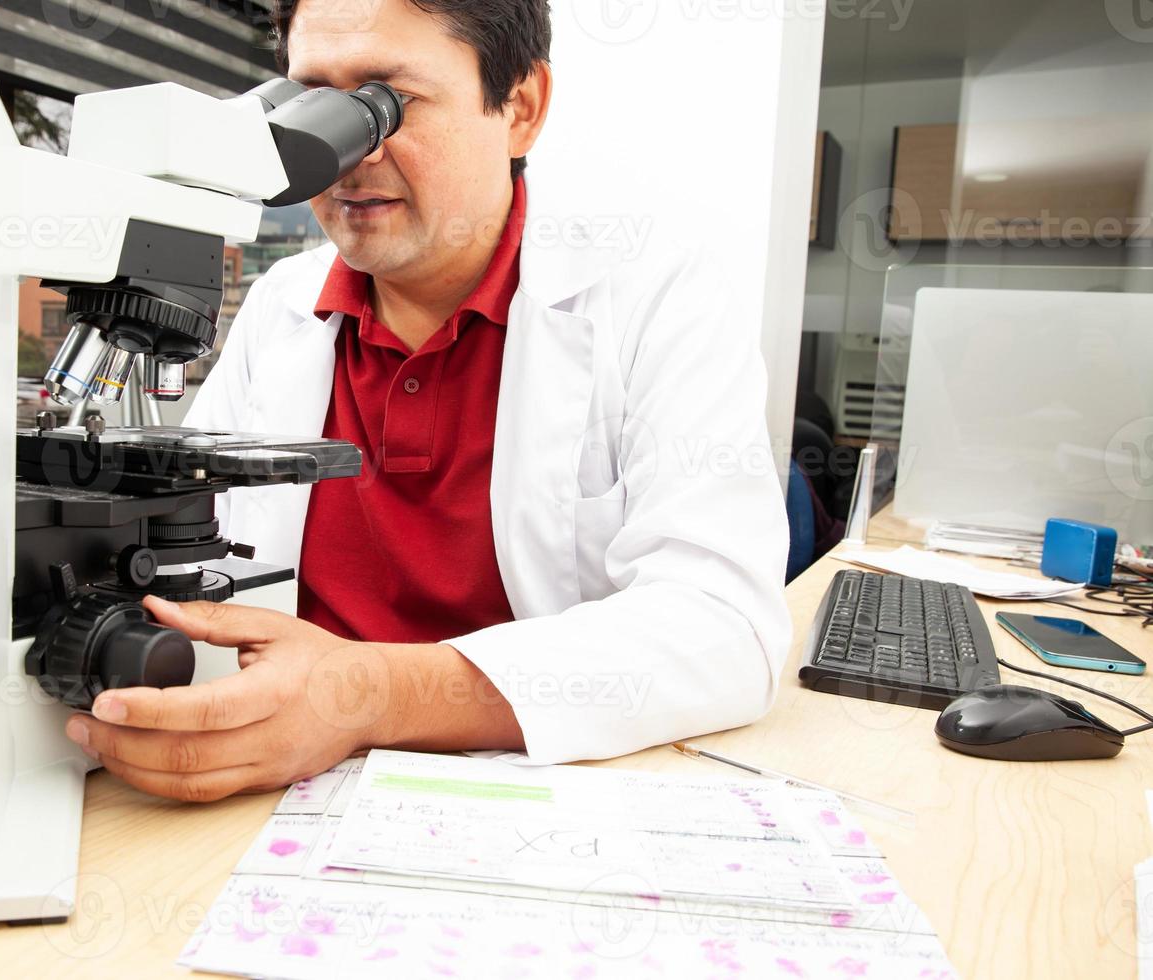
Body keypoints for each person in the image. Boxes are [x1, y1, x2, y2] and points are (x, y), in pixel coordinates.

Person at [64, 0, 791, 800]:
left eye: (384, 100)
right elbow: (179, 554)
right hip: (274, 797)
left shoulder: (654, 295)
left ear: (519, 107)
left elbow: (724, 630)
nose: (344, 155)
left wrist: (365, 693)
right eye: (310, 98)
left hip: (543, 801)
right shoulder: (283, 305)